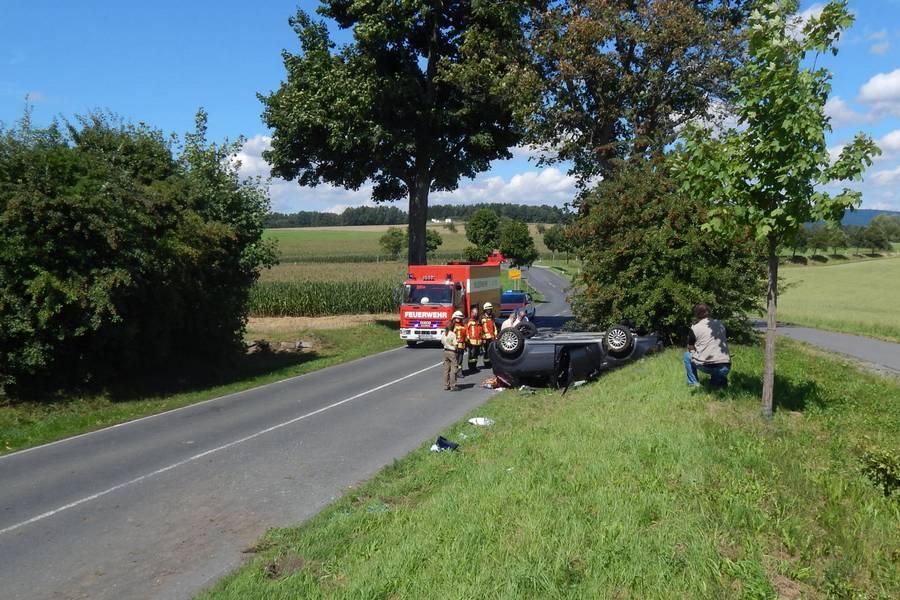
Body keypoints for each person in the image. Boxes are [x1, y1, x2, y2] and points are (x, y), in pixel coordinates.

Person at [684, 303, 731, 388]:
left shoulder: (695, 327)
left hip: (707, 365)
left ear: (696, 314)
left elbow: (690, 347)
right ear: (709, 312)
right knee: (716, 384)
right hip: (725, 365)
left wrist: (695, 350)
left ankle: (693, 383)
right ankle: (719, 380)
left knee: (687, 355)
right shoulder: (720, 324)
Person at [440, 319, 460, 391]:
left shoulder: (443, 333)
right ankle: (453, 385)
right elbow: (455, 344)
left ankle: (446, 385)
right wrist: (456, 349)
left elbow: (442, 342)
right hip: (452, 352)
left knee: (446, 369)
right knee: (454, 369)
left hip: (445, 351)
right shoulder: (452, 334)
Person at [465, 305, 484, 372]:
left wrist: (481, 340)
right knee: (471, 356)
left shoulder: (478, 322)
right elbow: (466, 330)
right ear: (471, 313)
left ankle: (474, 367)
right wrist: (468, 339)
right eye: (474, 313)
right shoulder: (469, 322)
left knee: (476, 356)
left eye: (476, 313)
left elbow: (480, 332)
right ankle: (471, 368)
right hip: (472, 342)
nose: (475, 314)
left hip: (478, 342)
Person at [480, 302, 498, 369]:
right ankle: (486, 364)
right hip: (486, 338)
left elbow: (494, 327)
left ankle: (491, 362)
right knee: (486, 351)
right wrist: (483, 338)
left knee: (492, 351)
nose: (489, 310)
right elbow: (481, 329)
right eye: (488, 309)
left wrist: (495, 335)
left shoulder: (492, 317)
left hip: (492, 337)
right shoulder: (482, 318)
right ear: (485, 310)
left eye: (490, 309)